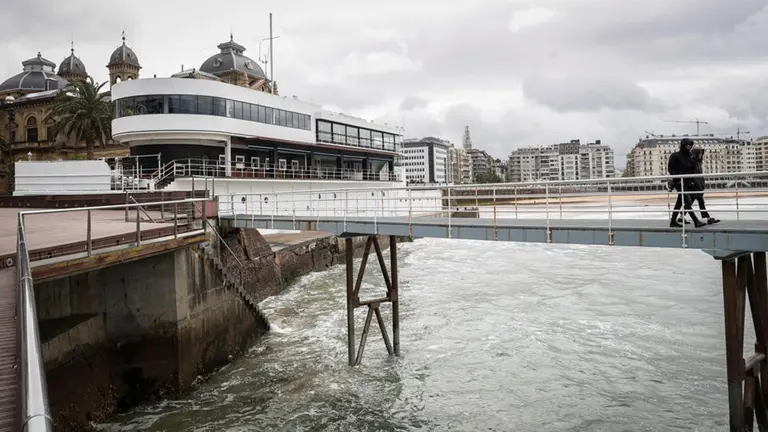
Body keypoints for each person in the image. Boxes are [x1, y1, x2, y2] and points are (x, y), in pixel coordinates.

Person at [668, 138, 706, 228]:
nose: (688, 146)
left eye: (690, 145)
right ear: (683, 145)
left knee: (680, 202)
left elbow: (693, 169)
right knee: (687, 201)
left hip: (688, 181)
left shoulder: (690, 156)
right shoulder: (675, 156)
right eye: (687, 144)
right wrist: (677, 177)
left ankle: (673, 221)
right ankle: (696, 221)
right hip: (679, 181)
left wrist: (695, 161)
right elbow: (670, 169)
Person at [688, 147, 720, 224]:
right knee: (700, 202)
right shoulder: (693, 163)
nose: (701, 155)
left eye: (701, 153)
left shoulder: (698, 162)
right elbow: (692, 175)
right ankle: (708, 218)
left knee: (690, 203)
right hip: (695, 186)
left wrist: (701, 185)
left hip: (698, 186)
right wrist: (696, 184)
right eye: (699, 153)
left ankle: (681, 217)